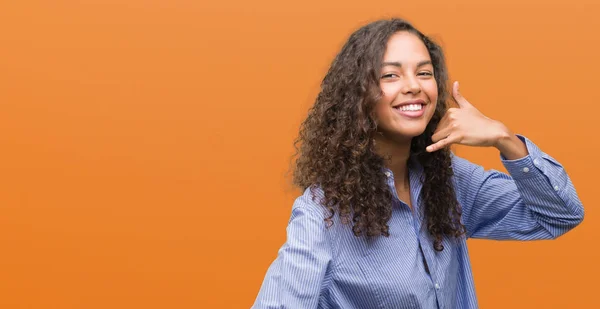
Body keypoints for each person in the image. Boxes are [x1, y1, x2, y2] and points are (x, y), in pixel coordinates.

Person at [251, 18, 584, 309]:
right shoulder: (323, 212)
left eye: (424, 73)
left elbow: (560, 214)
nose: (413, 86)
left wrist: (505, 140)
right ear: (358, 95)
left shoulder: (451, 183)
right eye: (390, 75)